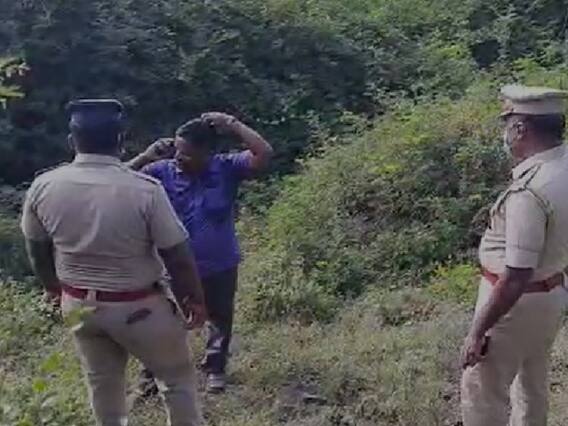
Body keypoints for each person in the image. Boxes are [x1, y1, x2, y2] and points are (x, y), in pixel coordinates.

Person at [21, 99, 207, 426]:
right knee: (175, 381)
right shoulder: (145, 190)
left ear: (72, 141)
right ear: (121, 140)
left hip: (79, 306)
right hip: (140, 308)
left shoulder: (44, 186)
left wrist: (53, 289)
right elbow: (176, 255)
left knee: (102, 385)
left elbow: (36, 248)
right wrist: (193, 299)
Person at [128, 112, 273, 393]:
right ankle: (152, 375)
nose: (178, 158)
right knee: (161, 321)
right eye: (177, 150)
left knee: (219, 318)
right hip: (172, 265)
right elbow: (116, 180)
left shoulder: (227, 168)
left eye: (187, 153)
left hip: (219, 263)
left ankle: (215, 369)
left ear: (208, 153)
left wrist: (231, 124)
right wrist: (145, 156)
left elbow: (263, 153)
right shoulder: (161, 171)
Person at [460, 85, 568, 426]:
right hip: (552, 293)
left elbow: (517, 275)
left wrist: (478, 331)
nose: (505, 134)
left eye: (507, 125)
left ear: (521, 129)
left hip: (516, 303)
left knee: (483, 393)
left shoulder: (530, 191)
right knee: (532, 386)